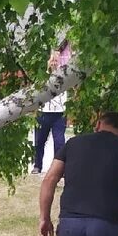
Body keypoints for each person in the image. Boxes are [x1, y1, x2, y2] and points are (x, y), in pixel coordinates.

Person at [32, 41, 70, 174]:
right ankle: (37, 166)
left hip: (59, 113)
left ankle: (58, 169)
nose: (54, 61)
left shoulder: (64, 73)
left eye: (56, 58)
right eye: (52, 58)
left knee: (59, 142)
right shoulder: (43, 75)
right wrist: (48, 69)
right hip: (43, 112)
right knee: (39, 141)